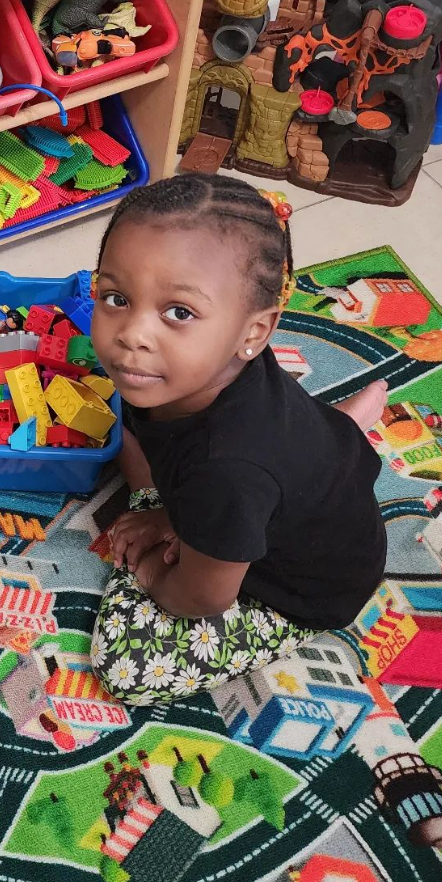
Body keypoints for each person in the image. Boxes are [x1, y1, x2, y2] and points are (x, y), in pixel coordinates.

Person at [87, 173, 388, 705]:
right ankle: (343, 425)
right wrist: (172, 516)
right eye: (115, 297)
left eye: (178, 312)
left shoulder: (227, 472)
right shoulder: (194, 376)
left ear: (254, 333)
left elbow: (201, 598)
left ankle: (338, 430)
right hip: (303, 470)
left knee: (123, 669)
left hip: (306, 587)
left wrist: (154, 569)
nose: (132, 333)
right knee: (130, 417)